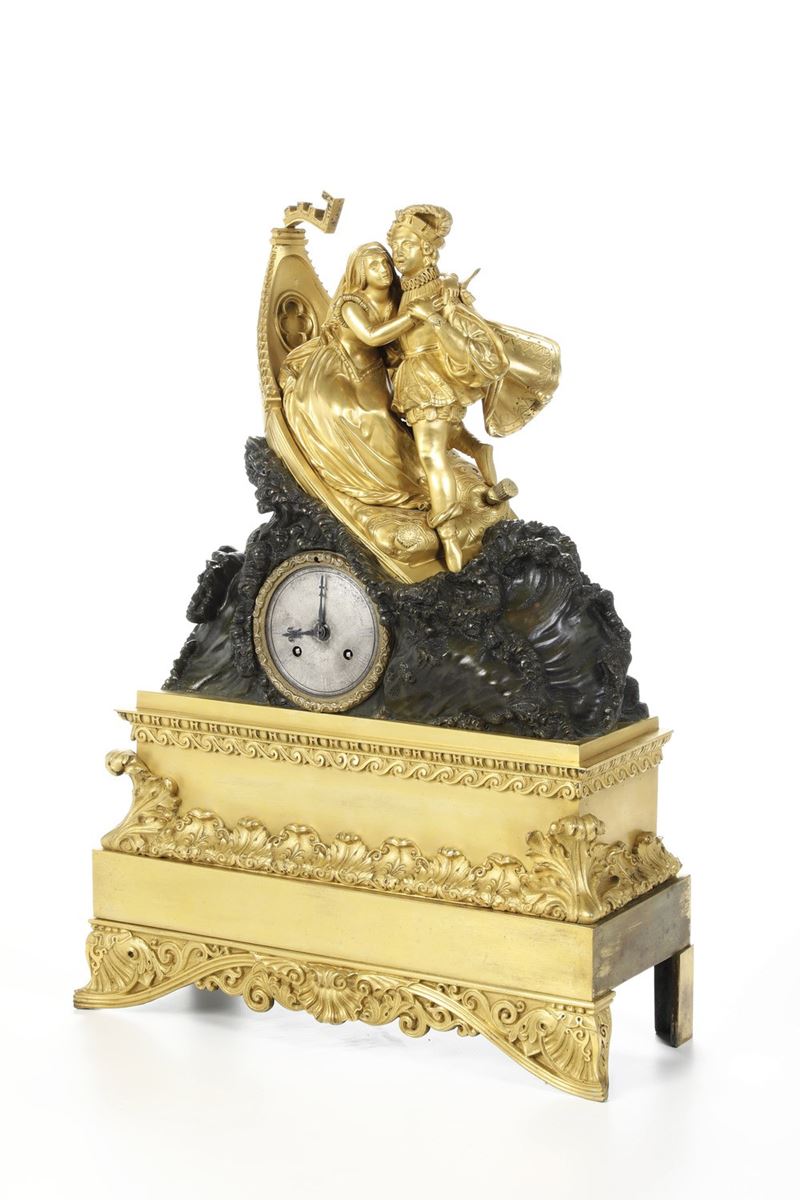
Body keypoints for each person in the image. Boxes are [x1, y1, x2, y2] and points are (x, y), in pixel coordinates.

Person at [387, 205, 509, 571]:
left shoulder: (441, 290)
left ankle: (449, 535)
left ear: (427, 251)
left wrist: (435, 315)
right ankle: (482, 457)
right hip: (416, 378)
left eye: (407, 244)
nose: (399, 253)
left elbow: (466, 338)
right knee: (451, 439)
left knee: (430, 455)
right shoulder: (405, 290)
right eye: (396, 245)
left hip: (430, 380)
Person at [279, 242, 428, 508]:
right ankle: (377, 487)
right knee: (349, 413)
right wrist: (412, 318)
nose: (383, 269)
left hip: (373, 370)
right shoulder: (352, 303)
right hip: (336, 368)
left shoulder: (399, 298)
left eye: (385, 262)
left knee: (387, 418)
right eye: (374, 265)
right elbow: (372, 336)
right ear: (361, 273)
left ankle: (410, 478)